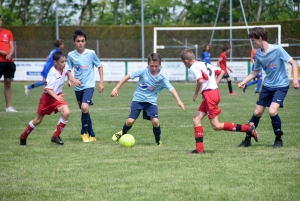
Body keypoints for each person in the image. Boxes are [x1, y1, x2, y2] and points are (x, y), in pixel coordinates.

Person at [180, 49, 258, 154]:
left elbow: (200, 80)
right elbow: (221, 71)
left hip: (210, 95)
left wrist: (196, 93)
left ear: (186, 61)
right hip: (213, 93)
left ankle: (247, 128)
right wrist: (214, 85)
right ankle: (199, 149)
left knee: (216, 125)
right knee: (196, 119)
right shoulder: (204, 64)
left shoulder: (194, 67)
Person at [238, 27, 299, 148]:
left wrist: (295, 79)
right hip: (268, 86)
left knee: (272, 111)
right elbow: (255, 71)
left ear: (260, 38)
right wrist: (244, 81)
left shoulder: (277, 49)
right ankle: (247, 139)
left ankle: (278, 139)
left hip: (281, 86)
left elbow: (293, 62)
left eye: (254, 40)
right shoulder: (258, 54)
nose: (253, 43)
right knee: (257, 112)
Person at [110, 53, 185, 145]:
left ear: (160, 65)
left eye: (156, 66)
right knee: (130, 121)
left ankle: (158, 141)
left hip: (151, 102)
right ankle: (122, 133)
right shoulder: (143, 71)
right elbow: (128, 76)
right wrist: (116, 88)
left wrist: (179, 100)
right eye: (151, 66)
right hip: (138, 100)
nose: (153, 68)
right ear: (148, 64)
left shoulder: (162, 77)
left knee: (155, 121)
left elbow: (171, 88)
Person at [19, 52, 80, 146]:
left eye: (65, 61)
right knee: (38, 120)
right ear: (55, 62)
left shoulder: (65, 66)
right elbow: (48, 89)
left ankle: (55, 136)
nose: (64, 63)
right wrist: (57, 97)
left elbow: (68, 71)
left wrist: (72, 79)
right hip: (47, 98)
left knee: (66, 112)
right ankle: (23, 136)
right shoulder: (52, 72)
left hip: (58, 96)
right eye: (62, 62)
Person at [67, 29, 104, 143]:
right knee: (85, 110)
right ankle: (92, 134)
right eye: (78, 41)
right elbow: (68, 70)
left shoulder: (91, 53)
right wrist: (72, 79)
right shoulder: (70, 55)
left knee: (84, 107)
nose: (80, 43)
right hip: (77, 88)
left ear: (85, 42)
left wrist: (101, 82)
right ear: (74, 42)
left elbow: (100, 66)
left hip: (89, 85)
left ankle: (83, 133)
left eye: (82, 41)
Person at [0, 15, 17, 112]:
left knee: (8, 83)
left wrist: (10, 53)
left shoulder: (8, 32)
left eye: (0, 20)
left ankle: (8, 107)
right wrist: (1, 52)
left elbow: (11, 45)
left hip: (9, 62)